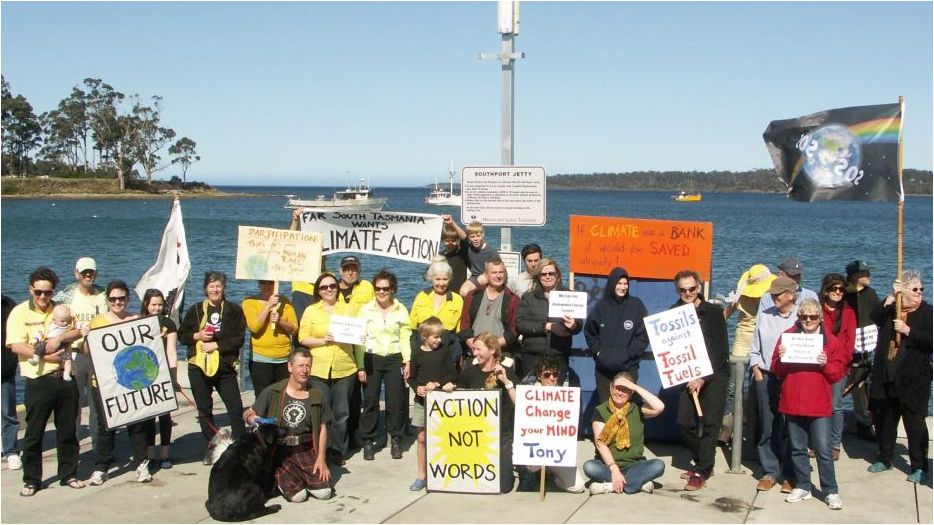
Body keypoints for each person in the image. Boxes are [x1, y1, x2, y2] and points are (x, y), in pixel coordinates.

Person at [7, 267, 84, 496]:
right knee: (34, 433)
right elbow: (15, 345)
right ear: (31, 289)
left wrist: (60, 337)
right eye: (38, 292)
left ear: (53, 292)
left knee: (68, 430)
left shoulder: (61, 310)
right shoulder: (20, 312)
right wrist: (44, 354)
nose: (42, 297)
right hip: (38, 380)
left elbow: (78, 331)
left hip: (65, 377)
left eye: (47, 293)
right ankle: (32, 479)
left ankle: (69, 474)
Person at [771, 298, 848, 510]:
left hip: (819, 405)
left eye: (813, 317)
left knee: (823, 450)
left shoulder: (830, 342)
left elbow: (838, 374)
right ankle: (803, 485)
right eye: (804, 317)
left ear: (820, 319)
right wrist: (781, 359)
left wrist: (826, 365)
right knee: (797, 448)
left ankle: (831, 491)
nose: (808, 321)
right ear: (799, 317)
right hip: (792, 401)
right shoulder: (787, 337)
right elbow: (776, 369)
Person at [85, 280, 156, 485]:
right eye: (113, 298)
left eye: (122, 298)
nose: (118, 302)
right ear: (108, 300)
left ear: (127, 299)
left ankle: (141, 463)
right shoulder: (97, 322)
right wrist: (86, 339)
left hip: (130, 382)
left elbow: (146, 349)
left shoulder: (135, 319)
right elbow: (87, 352)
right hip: (103, 384)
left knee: (137, 424)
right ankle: (101, 467)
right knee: (105, 426)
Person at [243, 348, 332, 502]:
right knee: (299, 497)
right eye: (300, 366)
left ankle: (301, 478)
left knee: (324, 494)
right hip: (281, 452)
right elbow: (247, 414)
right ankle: (278, 478)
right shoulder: (273, 391)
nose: (305, 370)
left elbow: (323, 428)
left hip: (305, 450)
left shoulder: (317, 395)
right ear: (290, 367)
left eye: (308, 366)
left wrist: (321, 458)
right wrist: (254, 419)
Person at [867, 271, 932, 484]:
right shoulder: (892, 310)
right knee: (885, 419)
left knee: (914, 423)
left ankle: (919, 465)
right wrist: (891, 296)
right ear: (903, 291)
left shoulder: (927, 312)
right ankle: (885, 458)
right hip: (886, 375)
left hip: (914, 379)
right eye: (915, 290)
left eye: (921, 289)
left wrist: (907, 330)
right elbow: (874, 316)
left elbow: (930, 339)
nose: (920, 293)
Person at [178, 271, 248, 465]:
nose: (215, 290)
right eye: (212, 286)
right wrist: (197, 336)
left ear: (224, 288)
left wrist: (217, 345)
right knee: (204, 410)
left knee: (235, 408)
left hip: (224, 368)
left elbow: (239, 339)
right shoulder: (195, 310)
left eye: (218, 286)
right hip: (199, 367)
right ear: (205, 289)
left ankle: (241, 449)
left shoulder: (234, 310)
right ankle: (212, 448)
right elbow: (182, 335)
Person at [670, 270, 730, 491]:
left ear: (699, 287)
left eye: (692, 289)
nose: (688, 293)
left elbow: (721, 350)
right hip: (687, 376)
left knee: (711, 423)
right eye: (683, 289)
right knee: (683, 422)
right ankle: (703, 459)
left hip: (715, 375)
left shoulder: (713, 312)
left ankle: (703, 469)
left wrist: (703, 377)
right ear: (677, 290)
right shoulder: (673, 312)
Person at [298, 272, 363, 467]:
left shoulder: (350, 309)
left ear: (337, 287)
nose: (329, 290)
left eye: (332, 286)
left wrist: (360, 366)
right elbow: (302, 338)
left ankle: (338, 450)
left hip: (345, 367)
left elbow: (358, 340)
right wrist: (322, 340)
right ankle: (320, 450)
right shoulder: (311, 310)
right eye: (324, 287)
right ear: (318, 290)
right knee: (321, 413)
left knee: (342, 413)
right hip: (318, 368)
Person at [748, 276, 799, 493]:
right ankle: (770, 470)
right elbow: (754, 348)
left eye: (778, 294)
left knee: (791, 427)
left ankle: (790, 473)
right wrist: (757, 371)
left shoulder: (801, 317)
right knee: (768, 425)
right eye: (773, 293)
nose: (773, 297)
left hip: (793, 378)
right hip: (767, 375)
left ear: (791, 295)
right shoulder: (765, 316)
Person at [52, 257, 106, 450]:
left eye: (91, 272)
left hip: (98, 358)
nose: (88, 275)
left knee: (97, 406)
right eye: (84, 273)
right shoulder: (66, 296)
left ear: (96, 273)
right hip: (74, 357)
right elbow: (51, 318)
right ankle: (71, 447)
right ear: (76, 274)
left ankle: (98, 446)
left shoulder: (104, 295)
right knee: (72, 406)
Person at [358, 269, 412, 461]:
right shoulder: (365, 310)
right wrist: (360, 366)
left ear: (393, 290)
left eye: (386, 289)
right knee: (371, 401)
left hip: (394, 357)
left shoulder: (401, 309)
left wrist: (407, 361)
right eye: (378, 288)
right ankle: (368, 441)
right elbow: (359, 339)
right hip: (371, 358)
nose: (381, 292)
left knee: (395, 401)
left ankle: (395, 438)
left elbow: (405, 336)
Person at [584, 371, 666, 495]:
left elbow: (659, 407)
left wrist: (635, 386)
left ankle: (610, 486)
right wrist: (614, 469)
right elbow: (600, 443)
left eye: (625, 389)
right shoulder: (600, 410)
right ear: (611, 388)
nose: (620, 393)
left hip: (635, 465)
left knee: (658, 465)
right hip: (607, 465)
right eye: (617, 388)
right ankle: (638, 483)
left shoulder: (637, 409)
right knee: (589, 467)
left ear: (631, 392)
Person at [457, 332, 519, 493]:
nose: (474, 353)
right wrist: (450, 390)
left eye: (478, 349)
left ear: (492, 350)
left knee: (503, 486)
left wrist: (506, 381)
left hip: (501, 433)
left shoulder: (506, 372)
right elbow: (458, 402)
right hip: (475, 433)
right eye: (473, 349)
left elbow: (519, 403)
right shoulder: (468, 372)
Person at [720, 264, 775, 443]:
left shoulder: (771, 296)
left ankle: (753, 431)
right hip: (742, 343)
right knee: (732, 387)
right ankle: (726, 428)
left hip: (764, 344)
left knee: (758, 388)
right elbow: (725, 315)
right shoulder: (740, 294)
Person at [516, 357, 585, 493]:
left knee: (578, 486)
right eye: (547, 375)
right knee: (528, 473)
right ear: (539, 376)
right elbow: (517, 405)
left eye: (555, 374)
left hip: (556, 453)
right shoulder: (529, 394)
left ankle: (553, 477)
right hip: (534, 451)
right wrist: (507, 383)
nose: (552, 378)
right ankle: (532, 473)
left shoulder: (565, 396)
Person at [584, 267, 649, 403]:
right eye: (619, 283)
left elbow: (644, 335)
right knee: (606, 408)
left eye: (625, 284)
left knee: (626, 408)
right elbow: (590, 333)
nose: (623, 287)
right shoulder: (600, 307)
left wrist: (629, 354)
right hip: (604, 370)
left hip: (628, 368)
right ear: (612, 284)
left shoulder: (636, 305)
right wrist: (598, 352)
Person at [407, 317, 457, 491]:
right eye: (435, 337)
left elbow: (452, 373)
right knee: (421, 438)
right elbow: (412, 377)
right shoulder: (417, 352)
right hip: (422, 401)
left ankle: (445, 471)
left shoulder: (443, 351)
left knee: (442, 436)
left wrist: (437, 384)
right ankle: (422, 474)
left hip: (441, 400)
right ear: (425, 337)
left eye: (440, 336)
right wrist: (417, 388)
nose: (439, 340)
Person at [516, 258, 581, 382]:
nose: (547, 276)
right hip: (533, 355)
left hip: (558, 355)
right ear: (538, 276)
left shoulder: (569, 295)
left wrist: (574, 325)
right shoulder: (529, 297)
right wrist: (546, 326)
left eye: (551, 273)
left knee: (555, 396)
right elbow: (521, 324)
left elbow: (579, 326)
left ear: (558, 275)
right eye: (543, 274)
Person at [140, 289, 180, 469]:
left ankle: (164, 453)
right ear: (146, 305)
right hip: (146, 375)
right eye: (153, 304)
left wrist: (173, 377)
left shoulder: (169, 324)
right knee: (147, 417)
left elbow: (172, 351)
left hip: (163, 373)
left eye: (160, 304)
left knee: (165, 415)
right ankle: (149, 453)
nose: (156, 308)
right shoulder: (138, 322)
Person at [843, 260, 882, 442]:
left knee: (862, 390)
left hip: (865, 350)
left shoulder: (871, 294)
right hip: (846, 350)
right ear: (855, 277)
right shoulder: (843, 295)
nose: (869, 276)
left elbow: (878, 317)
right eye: (865, 273)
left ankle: (864, 423)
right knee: (840, 388)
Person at [818, 273, 856, 460]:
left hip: (839, 368)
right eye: (834, 288)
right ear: (826, 290)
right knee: (818, 405)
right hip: (817, 365)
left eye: (841, 289)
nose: (838, 292)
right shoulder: (817, 311)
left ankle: (834, 444)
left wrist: (840, 364)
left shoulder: (848, 313)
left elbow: (849, 345)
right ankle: (817, 442)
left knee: (835, 406)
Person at [242, 280, 297, 398]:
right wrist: (268, 306)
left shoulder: (285, 302)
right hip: (261, 359)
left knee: (281, 397)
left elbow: (294, 329)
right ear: (259, 284)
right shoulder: (249, 302)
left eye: (271, 283)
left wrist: (280, 321)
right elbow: (254, 327)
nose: (267, 286)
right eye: (263, 282)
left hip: (283, 358)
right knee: (263, 397)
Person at [458, 258, 521, 361]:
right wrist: (477, 347)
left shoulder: (513, 299)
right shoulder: (472, 295)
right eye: (494, 272)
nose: (498, 276)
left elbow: (513, 331)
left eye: (501, 272)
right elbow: (465, 325)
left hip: (501, 352)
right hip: (474, 351)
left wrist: (491, 347)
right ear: (486, 275)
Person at [408, 258, 464, 365]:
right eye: (437, 279)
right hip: (423, 350)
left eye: (445, 279)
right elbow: (412, 327)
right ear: (431, 279)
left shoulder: (457, 299)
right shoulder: (421, 296)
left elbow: (459, 332)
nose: (441, 283)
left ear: (450, 279)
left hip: (447, 351)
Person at [443, 215, 500, 296]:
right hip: (475, 277)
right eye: (472, 236)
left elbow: (500, 269)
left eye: (478, 236)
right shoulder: (469, 247)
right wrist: (452, 223)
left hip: (489, 276)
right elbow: (463, 236)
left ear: (483, 235)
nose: (475, 239)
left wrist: (489, 277)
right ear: (469, 237)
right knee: (463, 292)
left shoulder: (491, 252)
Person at [27, 303, 74, 382]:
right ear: (54, 319)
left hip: (63, 346)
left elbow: (78, 329)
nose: (65, 323)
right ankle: (35, 359)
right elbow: (41, 332)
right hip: (48, 342)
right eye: (62, 321)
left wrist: (83, 327)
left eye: (67, 320)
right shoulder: (50, 325)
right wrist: (36, 339)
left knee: (68, 359)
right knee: (39, 347)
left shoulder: (70, 325)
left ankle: (67, 373)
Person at [1, 295, 21, 470]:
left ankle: (11, 451)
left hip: (4, 369)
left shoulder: (9, 305)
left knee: (8, 412)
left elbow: (18, 336)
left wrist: (12, 362)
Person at [440, 223, 470, 296]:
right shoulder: (439, 256)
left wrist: (452, 223)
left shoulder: (462, 253)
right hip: (443, 292)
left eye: (453, 240)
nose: (450, 243)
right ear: (442, 240)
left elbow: (465, 239)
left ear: (458, 240)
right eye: (447, 240)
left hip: (458, 294)